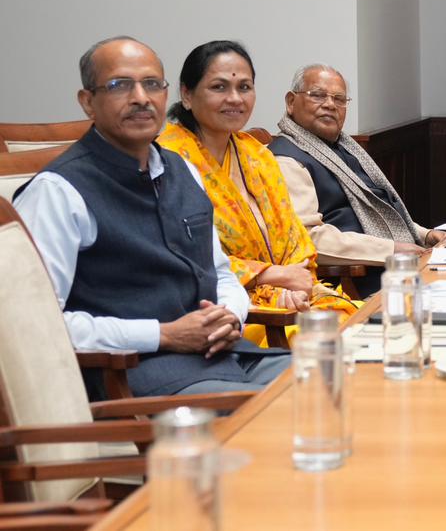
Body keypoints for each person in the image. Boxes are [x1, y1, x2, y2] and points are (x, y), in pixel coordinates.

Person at [13, 37, 289, 398]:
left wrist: (231, 315)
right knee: (281, 411)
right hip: (138, 376)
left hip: (226, 355)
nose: (141, 97)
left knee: (339, 375)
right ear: (88, 103)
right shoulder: (58, 192)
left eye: (152, 84)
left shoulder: (184, 171)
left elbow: (220, 272)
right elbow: (37, 326)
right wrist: (163, 334)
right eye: (119, 85)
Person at [156, 41, 357, 343]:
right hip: (228, 310)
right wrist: (271, 277)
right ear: (187, 94)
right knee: (339, 345)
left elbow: (294, 237)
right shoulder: (168, 161)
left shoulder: (255, 154)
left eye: (244, 87)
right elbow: (183, 257)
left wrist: (293, 281)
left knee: (379, 327)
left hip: (294, 298)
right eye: (219, 87)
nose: (235, 99)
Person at [269, 64, 446, 266]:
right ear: (291, 102)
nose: (330, 105)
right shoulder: (287, 160)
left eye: (339, 99)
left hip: (398, 263)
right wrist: (391, 249)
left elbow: (374, 210)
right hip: (359, 278)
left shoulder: (342, 148)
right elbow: (307, 238)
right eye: (318, 95)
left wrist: (425, 235)